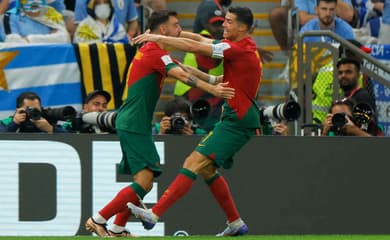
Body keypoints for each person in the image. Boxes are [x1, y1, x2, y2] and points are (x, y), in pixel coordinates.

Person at [84, 10, 235, 237]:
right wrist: (214, 90)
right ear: (162, 30)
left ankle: (116, 228)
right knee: (144, 182)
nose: (179, 31)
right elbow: (183, 77)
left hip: (135, 123)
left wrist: (215, 79)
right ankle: (98, 220)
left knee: (143, 179)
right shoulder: (155, 52)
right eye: (175, 26)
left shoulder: (155, 52)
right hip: (134, 123)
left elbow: (186, 69)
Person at [129, 6, 261, 236]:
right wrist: (181, 48)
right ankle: (235, 222)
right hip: (236, 117)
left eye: (229, 22)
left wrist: (157, 37)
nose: (224, 25)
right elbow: (210, 59)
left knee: (193, 162)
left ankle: (155, 214)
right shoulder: (243, 48)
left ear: (242, 27)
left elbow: (196, 46)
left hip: (237, 120)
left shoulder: (236, 48)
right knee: (208, 169)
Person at [312, 40, 373, 124]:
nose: (363, 59)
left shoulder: (323, 70)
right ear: (349, 55)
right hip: (345, 124)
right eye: (360, 55)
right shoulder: (361, 75)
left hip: (319, 123)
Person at [0, 0, 70, 43]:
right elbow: (14, 43)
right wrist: (50, 37)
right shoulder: (9, 17)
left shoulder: (51, 13)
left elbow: (64, 39)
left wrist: (28, 39)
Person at [0, 92, 67, 133]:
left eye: (36, 110)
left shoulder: (46, 122)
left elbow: (71, 136)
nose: (33, 112)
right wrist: (14, 124)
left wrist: (50, 129)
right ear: (18, 110)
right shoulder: (6, 122)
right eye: (29, 109)